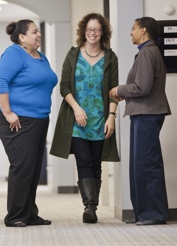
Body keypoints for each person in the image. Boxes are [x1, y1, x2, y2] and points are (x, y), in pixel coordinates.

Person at [50, 13, 120, 224]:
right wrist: (77, 108)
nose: (92, 33)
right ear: (83, 31)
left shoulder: (110, 57)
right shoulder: (73, 55)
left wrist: (111, 116)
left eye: (97, 30)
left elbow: (114, 90)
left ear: (103, 33)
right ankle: (89, 207)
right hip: (77, 120)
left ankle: (93, 206)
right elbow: (64, 87)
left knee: (96, 162)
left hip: (100, 119)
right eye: (89, 29)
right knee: (84, 160)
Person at [0, 19, 58, 227]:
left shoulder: (40, 56)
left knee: (33, 168)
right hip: (18, 120)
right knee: (22, 166)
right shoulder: (15, 53)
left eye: (39, 31)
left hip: (38, 119)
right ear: (22, 37)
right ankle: (15, 216)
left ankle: (29, 213)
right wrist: (8, 112)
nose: (39, 35)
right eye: (34, 32)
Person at [109, 17, 171, 226]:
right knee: (140, 165)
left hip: (147, 113)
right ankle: (145, 213)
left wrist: (120, 90)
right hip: (143, 113)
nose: (131, 32)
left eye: (133, 28)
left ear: (143, 30)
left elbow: (142, 87)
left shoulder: (147, 53)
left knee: (146, 164)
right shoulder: (147, 52)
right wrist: (125, 93)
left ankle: (153, 214)